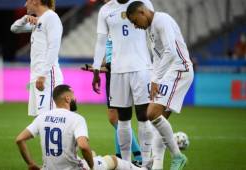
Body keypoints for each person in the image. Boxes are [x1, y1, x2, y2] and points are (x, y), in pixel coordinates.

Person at [126, 1, 194, 170]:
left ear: (142, 12)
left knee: (152, 113)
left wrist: (156, 80)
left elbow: (170, 52)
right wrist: (153, 80)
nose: (135, 26)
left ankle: (178, 156)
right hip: (169, 73)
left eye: (135, 21)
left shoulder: (161, 20)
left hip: (180, 69)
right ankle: (156, 166)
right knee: (159, 125)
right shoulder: (150, 29)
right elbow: (157, 58)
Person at [15, 84, 146, 170]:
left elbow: (19, 139)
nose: (75, 98)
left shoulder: (42, 117)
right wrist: (92, 167)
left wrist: (31, 164)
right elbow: (83, 146)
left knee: (92, 154)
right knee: (113, 160)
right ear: (67, 98)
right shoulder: (76, 119)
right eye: (73, 96)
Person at [92, 0, 154, 168]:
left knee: (143, 116)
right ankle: (126, 164)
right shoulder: (106, 10)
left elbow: (152, 32)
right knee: (123, 119)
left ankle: (147, 162)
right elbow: (101, 40)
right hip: (117, 71)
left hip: (141, 68)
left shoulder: (143, 2)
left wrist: (157, 66)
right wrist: (97, 68)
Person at [11, 0, 63, 117]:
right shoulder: (39, 20)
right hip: (36, 76)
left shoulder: (51, 17)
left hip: (47, 76)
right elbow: (14, 28)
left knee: (48, 118)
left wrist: (43, 74)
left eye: (27, 1)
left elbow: (53, 47)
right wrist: (25, 18)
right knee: (40, 120)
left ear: (35, 1)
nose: (25, 4)